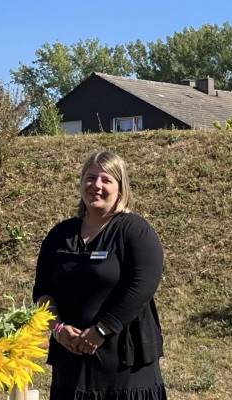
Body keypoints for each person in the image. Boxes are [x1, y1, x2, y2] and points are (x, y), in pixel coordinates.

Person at [33, 151, 167, 399]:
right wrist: (58, 329)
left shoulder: (135, 231)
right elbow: (42, 292)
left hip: (126, 366)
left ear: (120, 188)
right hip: (71, 361)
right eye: (90, 178)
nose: (96, 185)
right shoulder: (60, 235)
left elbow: (143, 286)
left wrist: (103, 329)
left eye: (106, 180)